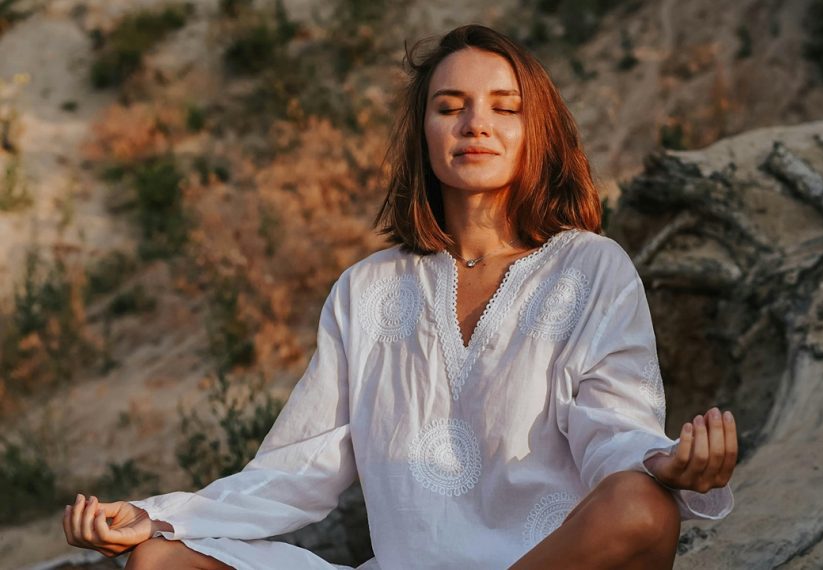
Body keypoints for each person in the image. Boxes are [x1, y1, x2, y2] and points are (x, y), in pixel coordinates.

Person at [62, 24, 736, 570]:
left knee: (641, 509)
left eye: (506, 108)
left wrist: (663, 461)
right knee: (160, 562)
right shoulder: (368, 290)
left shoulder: (590, 268)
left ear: (540, 135)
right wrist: (160, 517)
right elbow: (297, 468)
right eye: (450, 107)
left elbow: (613, 429)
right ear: (423, 132)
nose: (476, 123)